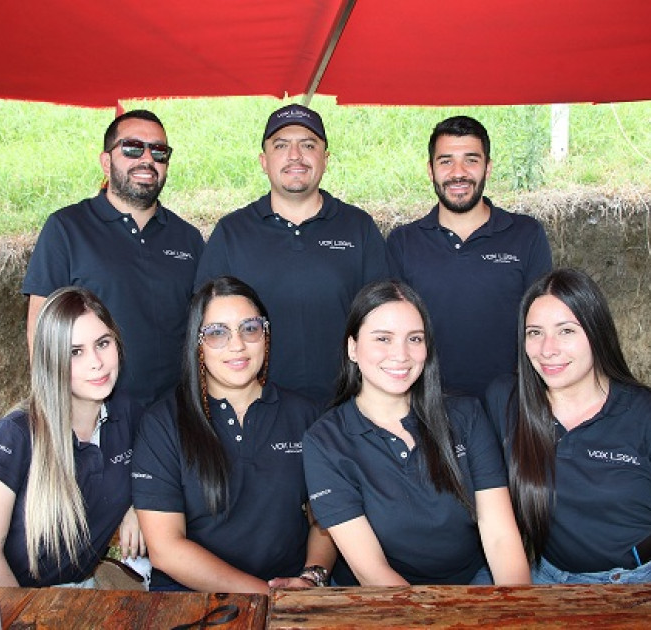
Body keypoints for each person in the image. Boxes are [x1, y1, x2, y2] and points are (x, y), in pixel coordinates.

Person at [485, 268, 651, 583]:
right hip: (547, 576)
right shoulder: (506, 402)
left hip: (644, 578)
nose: (548, 349)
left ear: (596, 332)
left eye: (566, 331)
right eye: (535, 332)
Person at [303, 280, 530, 586]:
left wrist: (516, 611)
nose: (401, 354)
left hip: (473, 582)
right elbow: (372, 571)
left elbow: (500, 537)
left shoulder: (467, 416)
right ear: (352, 348)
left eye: (414, 338)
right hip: (383, 597)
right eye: (383, 338)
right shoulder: (325, 442)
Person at [131, 276, 336, 593]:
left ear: (265, 335)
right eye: (217, 333)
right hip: (191, 600)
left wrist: (311, 577)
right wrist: (264, 595)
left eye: (249, 328)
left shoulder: (306, 415)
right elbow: (166, 549)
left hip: (291, 591)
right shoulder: (163, 423)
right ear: (197, 343)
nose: (237, 344)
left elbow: (327, 518)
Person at [194, 104, 388, 408]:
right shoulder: (232, 233)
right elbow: (205, 328)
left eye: (308, 145)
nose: (295, 155)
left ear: (325, 160)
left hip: (346, 409)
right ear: (264, 161)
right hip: (258, 412)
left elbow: (384, 319)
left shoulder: (358, 227)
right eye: (281, 145)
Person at [0, 286, 145, 587]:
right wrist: (21, 615)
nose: (96, 362)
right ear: (51, 359)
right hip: (3, 594)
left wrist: (136, 505)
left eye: (103, 343)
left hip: (78, 589)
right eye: (75, 352)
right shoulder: (16, 435)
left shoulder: (130, 415)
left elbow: (162, 471)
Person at [23, 109, 204, 407]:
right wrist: (51, 408)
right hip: (95, 415)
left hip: (174, 417)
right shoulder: (67, 229)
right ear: (106, 162)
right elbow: (40, 327)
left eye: (159, 151)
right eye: (132, 148)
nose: (147, 159)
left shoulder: (188, 238)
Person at [387, 115, 552, 401]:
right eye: (446, 161)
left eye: (471, 160)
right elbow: (391, 329)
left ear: (487, 168)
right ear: (431, 170)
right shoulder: (402, 243)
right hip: (428, 405)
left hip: (510, 404)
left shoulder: (526, 235)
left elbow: (543, 321)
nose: (458, 172)